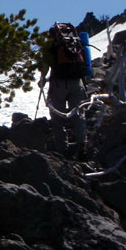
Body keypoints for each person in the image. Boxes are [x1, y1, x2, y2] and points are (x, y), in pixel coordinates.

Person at [38, 28, 88, 157]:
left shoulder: (52, 45)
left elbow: (45, 65)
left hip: (58, 84)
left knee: (57, 118)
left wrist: (42, 79)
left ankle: (62, 151)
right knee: (78, 114)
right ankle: (82, 146)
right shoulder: (75, 43)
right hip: (77, 82)